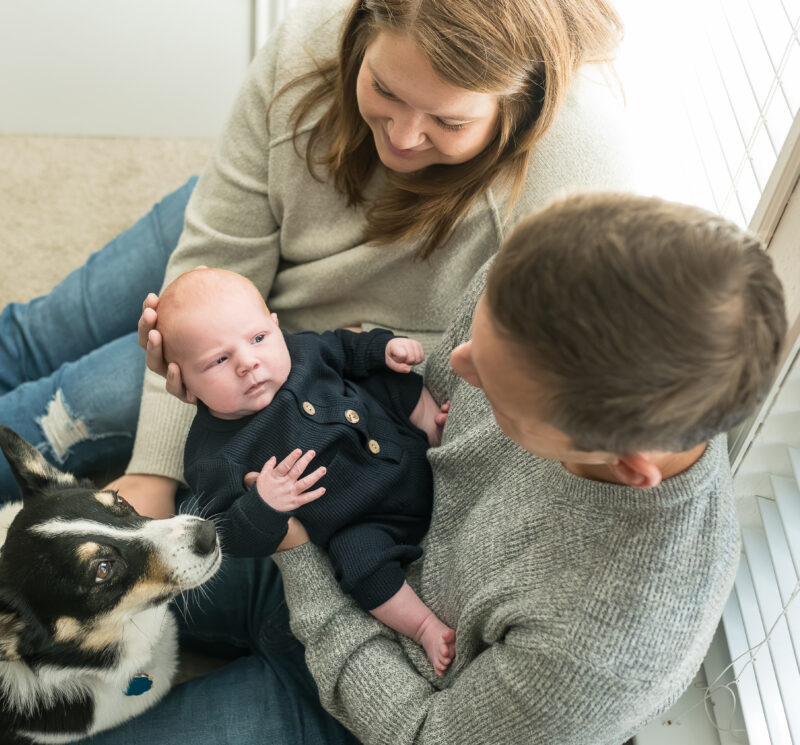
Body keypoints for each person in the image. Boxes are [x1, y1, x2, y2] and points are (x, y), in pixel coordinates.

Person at [0, 0, 635, 740]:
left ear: (520, 105)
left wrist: (287, 373)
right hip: (232, 303)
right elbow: (220, 252)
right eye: (383, 94)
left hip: (304, 370)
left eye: (447, 122)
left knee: (61, 458)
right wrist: (163, 442)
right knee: (38, 341)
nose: (405, 137)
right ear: (363, 32)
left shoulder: (577, 177)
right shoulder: (312, 43)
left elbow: (482, 385)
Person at [143, 191, 786, 744]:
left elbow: (422, 732)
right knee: (65, 581)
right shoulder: (545, 279)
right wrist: (222, 386)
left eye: (501, 390)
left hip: (371, 678)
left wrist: (298, 554)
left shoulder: (600, 648)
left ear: (624, 463)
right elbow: (417, 368)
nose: (458, 363)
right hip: (308, 511)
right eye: (481, 332)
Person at [157, 267, 454, 674]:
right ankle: (423, 626)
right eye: (218, 360)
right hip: (365, 521)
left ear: (276, 328)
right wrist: (263, 504)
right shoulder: (213, 456)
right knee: (360, 567)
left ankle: (433, 429)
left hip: (401, 438)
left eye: (258, 338)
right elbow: (227, 533)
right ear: (183, 384)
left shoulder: (301, 352)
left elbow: (343, 347)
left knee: (391, 380)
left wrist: (384, 348)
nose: (248, 362)